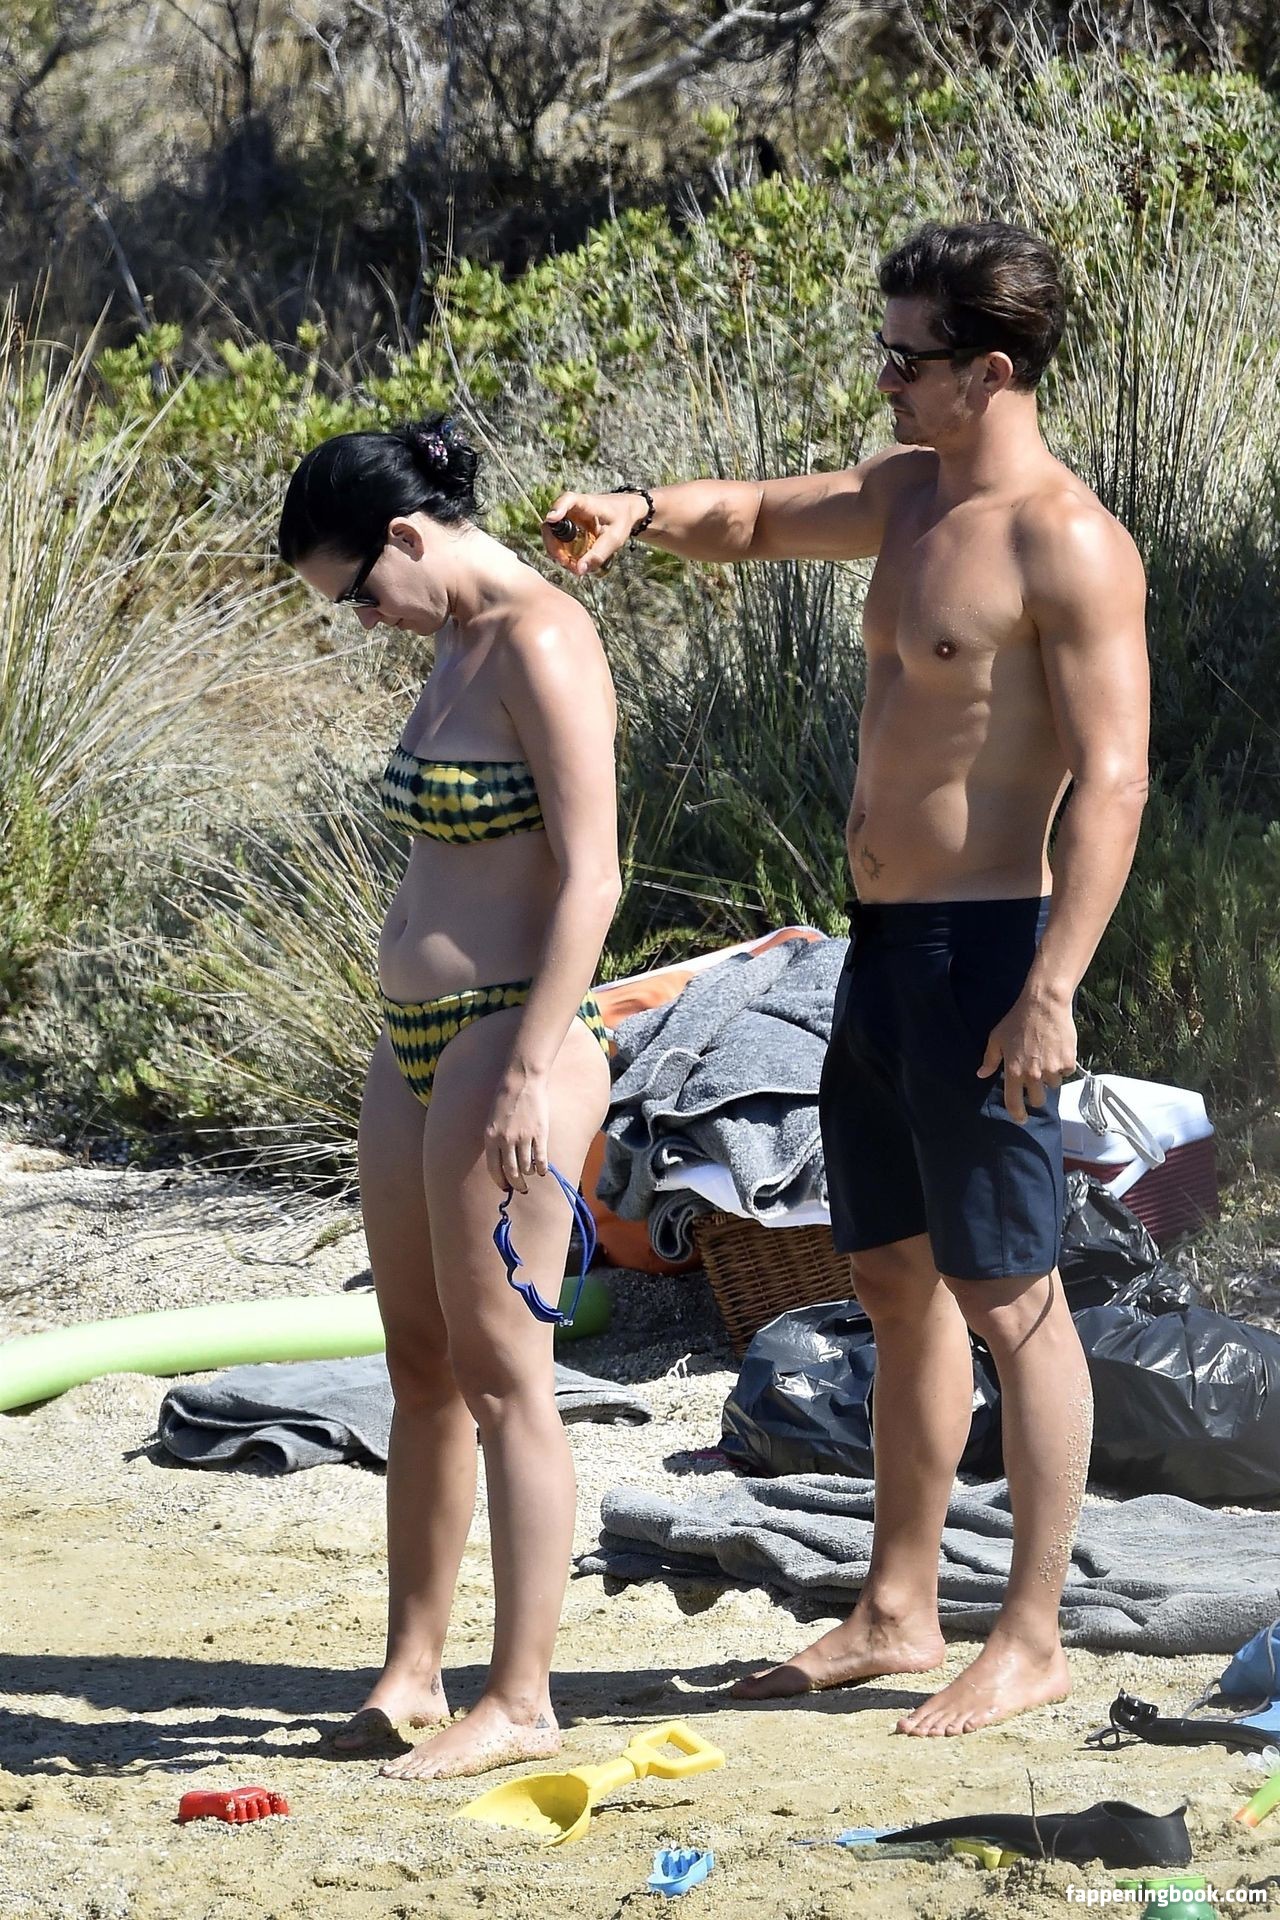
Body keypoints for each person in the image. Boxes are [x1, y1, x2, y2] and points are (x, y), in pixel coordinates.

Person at [542, 222, 1149, 1737]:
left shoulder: (1066, 541)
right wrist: (638, 508)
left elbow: (1117, 780)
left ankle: (1032, 1634)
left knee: (1013, 1295)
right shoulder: (907, 495)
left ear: (991, 369)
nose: (885, 380)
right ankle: (895, 1607)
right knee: (889, 1278)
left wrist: (1054, 987)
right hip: (875, 951)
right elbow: (753, 516)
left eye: (907, 358)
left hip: (987, 954)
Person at [278, 415, 621, 1779]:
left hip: (509, 1035)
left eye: (358, 592)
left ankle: (522, 1695)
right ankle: (412, 1671)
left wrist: (531, 1065)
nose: (360, 620)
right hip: (414, 1038)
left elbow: (593, 875)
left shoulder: (544, 638)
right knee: (417, 1362)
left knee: (503, 1374)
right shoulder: (453, 641)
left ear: (408, 536)